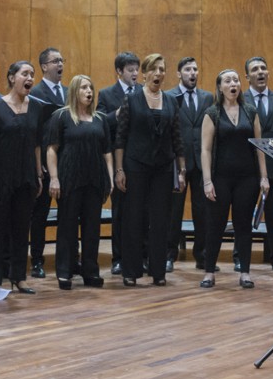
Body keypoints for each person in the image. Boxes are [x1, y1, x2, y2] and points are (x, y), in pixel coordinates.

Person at [114, 54, 186, 287]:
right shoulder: (131, 99)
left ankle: (158, 271)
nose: (158, 74)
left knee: (160, 220)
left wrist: (181, 170)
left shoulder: (172, 101)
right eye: (153, 69)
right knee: (134, 218)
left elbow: (177, 139)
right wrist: (119, 170)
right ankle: (131, 271)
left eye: (162, 69)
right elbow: (120, 138)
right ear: (144, 73)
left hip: (163, 167)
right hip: (135, 165)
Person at [199, 70, 269, 288]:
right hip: (220, 177)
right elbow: (205, 150)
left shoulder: (250, 111)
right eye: (228, 81)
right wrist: (207, 181)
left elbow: (260, 147)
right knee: (216, 225)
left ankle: (245, 272)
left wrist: (264, 177)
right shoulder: (212, 113)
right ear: (220, 87)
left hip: (247, 178)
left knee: (243, 226)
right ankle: (209, 271)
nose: (233, 84)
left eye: (236, 80)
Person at [0, 61, 45, 294]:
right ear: (11, 78)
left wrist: (39, 174)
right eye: (25, 74)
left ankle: (19, 276)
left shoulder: (36, 108)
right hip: (1, 177)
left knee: (21, 228)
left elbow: (37, 144)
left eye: (32, 75)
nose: (29, 78)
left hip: (27, 176)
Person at [46, 75, 112, 290]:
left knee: (92, 228)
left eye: (91, 88)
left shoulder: (100, 118)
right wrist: (54, 178)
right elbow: (52, 149)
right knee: (67, 227)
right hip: (69, 179)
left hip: (94, 179)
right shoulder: (61, 116)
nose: (89, 91)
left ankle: (90, 272)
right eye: (84, 88)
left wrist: (110, 178)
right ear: (75, 91)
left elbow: (107, 152)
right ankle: (64, 272)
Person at [95, 52, 140, 275]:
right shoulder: (106, 94)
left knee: (141, 212)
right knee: (120, 211)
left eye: (136, 69)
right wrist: (117, 114)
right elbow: (100, 122)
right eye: (130, 70)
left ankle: (140, 257)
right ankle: (119, 258)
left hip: (140, 158)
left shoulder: (144, 92)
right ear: (119, 71)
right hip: (117, 160)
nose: (135, 74)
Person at [167, 57, 213, 271]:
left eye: (195, 69)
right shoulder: (169, 97)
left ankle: (203, 256)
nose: (192, 73)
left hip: (201, 162)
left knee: (202, 210)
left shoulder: (207, 97)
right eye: (187, 69)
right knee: (173, 211)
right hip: (177, 161)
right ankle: (169, 254)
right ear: (178, 74)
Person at [243, 57, 273, 271]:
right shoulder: (240, 100)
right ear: (247, 76)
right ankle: (240, 256)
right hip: (247, 165)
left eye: (263, 68)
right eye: (255, 69)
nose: (260, 72)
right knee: (243, 212)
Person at [28, 47, 66, 278]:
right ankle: (37, 260)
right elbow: (33, 131)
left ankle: (67, 258)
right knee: (39, 215)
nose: (60, 64)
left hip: (66, 161)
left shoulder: (70, 91)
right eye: (55, 61)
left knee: (68, 214)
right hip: (42, 162)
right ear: (44, 66)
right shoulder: (34, 92)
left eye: (62, 60)